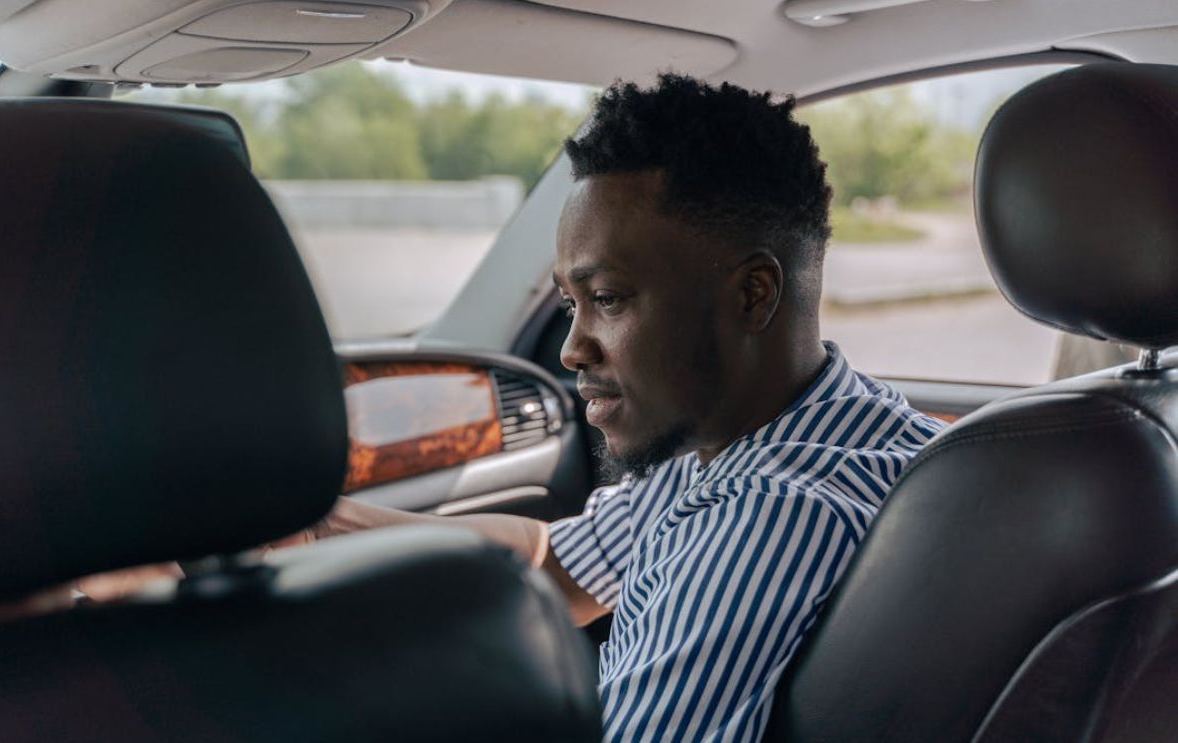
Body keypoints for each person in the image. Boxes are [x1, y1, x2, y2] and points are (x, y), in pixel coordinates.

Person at [80, 73, 947, 741]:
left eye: (607, 298)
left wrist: (169, 642)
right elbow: (550, 559)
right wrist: (301, 528)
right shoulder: (830, 432)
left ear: (754, 293)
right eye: (570, 304)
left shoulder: (766, 515)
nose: (571, 349)